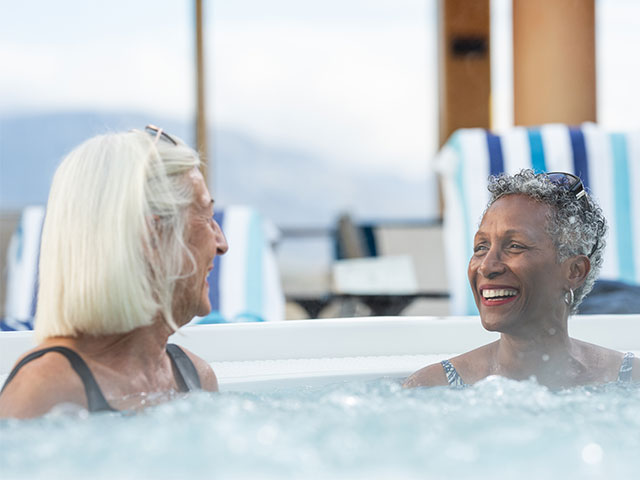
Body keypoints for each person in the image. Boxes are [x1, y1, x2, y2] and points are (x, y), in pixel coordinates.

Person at [0, 126, 228, 418]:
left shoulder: (195, 377)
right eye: (205, 216)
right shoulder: (44, 393)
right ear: (152, 237)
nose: (222, 243)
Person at [404, 169, 638, 389]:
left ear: (574, 271)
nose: (487, 266)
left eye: (515, 246)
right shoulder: (432, 387)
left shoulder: (631, 381)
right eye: (481, 247)